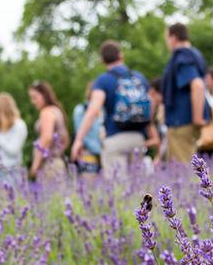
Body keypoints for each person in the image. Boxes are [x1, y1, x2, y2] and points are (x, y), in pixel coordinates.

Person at [72, 41, 151, 175]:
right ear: (121, 55)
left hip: (115, 139)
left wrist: (79, 140)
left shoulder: (103, 80)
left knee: (118, 189)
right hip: (138, 139)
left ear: (102, 60)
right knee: (138, 187)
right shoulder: (139, 78)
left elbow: (93, 110)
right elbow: (150, 106)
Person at [162, 23, 208, 164]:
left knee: (182, 171)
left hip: (181, 123)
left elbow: (198, 85)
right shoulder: (194, 54)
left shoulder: (182, 57)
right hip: (183, 122)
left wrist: (197, 118)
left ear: (173, 37)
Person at [28, 81, 69, 180]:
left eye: (35, 97)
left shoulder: (46, 112)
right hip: (57, 163)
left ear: (44, 95)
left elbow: (46, 138)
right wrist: (57, 153)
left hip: (48, 166)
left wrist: (35, 165)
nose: (33, 101)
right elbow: (66, 139)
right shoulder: (57, 110)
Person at [72, 82, 104, 175]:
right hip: (88, 153)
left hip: (105, 154)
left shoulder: (104, 110)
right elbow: (80, 132)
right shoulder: (81, 110)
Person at [148, 77, 168, 166]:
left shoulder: (167, 110)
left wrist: (159, 157)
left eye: (152, 94)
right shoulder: (160, 110)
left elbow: (166, 139)